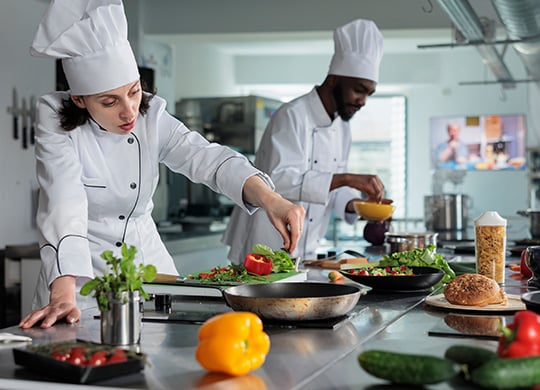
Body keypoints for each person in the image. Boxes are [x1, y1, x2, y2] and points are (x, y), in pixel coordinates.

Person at [20, 0, 304, 329]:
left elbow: (207, 158)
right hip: (79, 280)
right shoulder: (55, 119)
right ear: (79, 100)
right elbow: (62, 200)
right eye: (109, 102)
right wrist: (62, 294)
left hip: (150, 269)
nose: (128, 112)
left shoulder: (150, 115)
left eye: (134, 91)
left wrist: (272, 199)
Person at [223, 19, 388, 261]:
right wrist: (349, 178)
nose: (363, 101)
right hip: (264, 247)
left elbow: (331, 190)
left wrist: (362, 206)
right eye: (358, 90)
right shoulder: (292, 115)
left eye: (368, 94)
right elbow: (277, 181)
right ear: (334, 80)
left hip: (306, 251)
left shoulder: (342, 127)